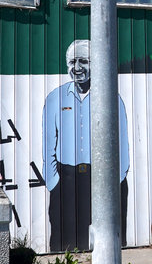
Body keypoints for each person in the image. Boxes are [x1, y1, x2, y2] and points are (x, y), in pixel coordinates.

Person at [41, 40, 130, 251]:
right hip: (66, 179)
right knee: (63, 244)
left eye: (84, 61)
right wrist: (54, 183)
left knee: (108, 243)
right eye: (72, 62)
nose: (77, 67)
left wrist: (116, 182)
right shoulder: (55, 98)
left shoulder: (111, 98)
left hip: (103, 178)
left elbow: (122, 145)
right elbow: (48, 145)